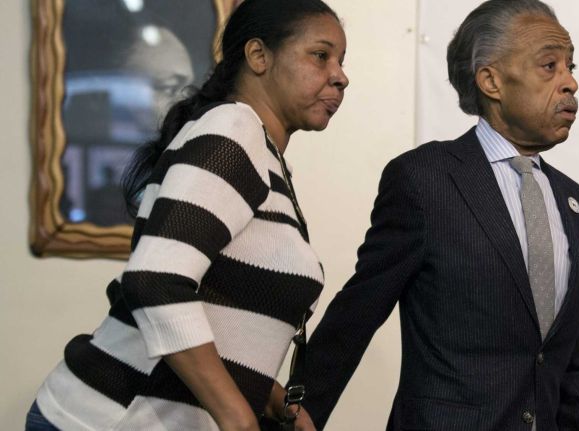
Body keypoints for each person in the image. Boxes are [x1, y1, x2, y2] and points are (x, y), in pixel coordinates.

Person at [27, 0, 348, 429]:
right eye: (321, 55)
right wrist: (238, 418)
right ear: (258, 56)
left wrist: (272, 400)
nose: (340, 76)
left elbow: (222, 311)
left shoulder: (258, 151)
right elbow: (155, 281)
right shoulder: (234, 131)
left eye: (341, 62)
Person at [294, 0, 579, 430]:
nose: (570, 82)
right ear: (491, 80)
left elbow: (570, 357)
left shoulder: (577, 204)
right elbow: (358, 313)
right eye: (549, 66)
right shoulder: (426, 180)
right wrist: (297, 414)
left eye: (571, 67)